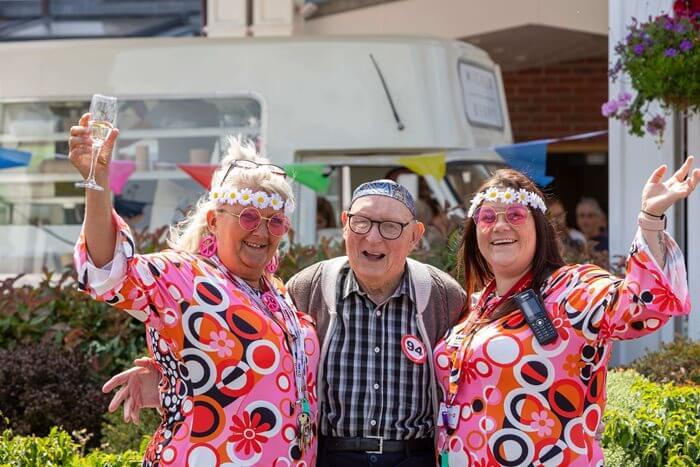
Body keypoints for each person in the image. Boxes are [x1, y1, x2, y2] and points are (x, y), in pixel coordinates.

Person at [107, 179, 467, 466]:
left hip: (413, 456)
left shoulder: (441, 295)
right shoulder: (308, 287)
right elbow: (271, 355)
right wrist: (173, 374)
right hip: (331, 455)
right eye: (363, 222)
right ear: (345, 225)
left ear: (415, 236)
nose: (373, 237)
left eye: (390, 226)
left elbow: (464, 372)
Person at [69, 113, 319, 466]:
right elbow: (109, 272)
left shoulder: (277, 294)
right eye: (248, 217)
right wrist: (97, 183)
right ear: (215, 222)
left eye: (274, 221)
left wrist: (171, 378)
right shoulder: (184, 276)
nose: (261, 232)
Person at [433, 162, 698, 466]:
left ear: (539, 227)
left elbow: (642, 305)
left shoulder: (571, 288)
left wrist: (650, 220)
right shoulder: (472, 307)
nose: (500, 226)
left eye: (516, 215)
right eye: (488, 217)